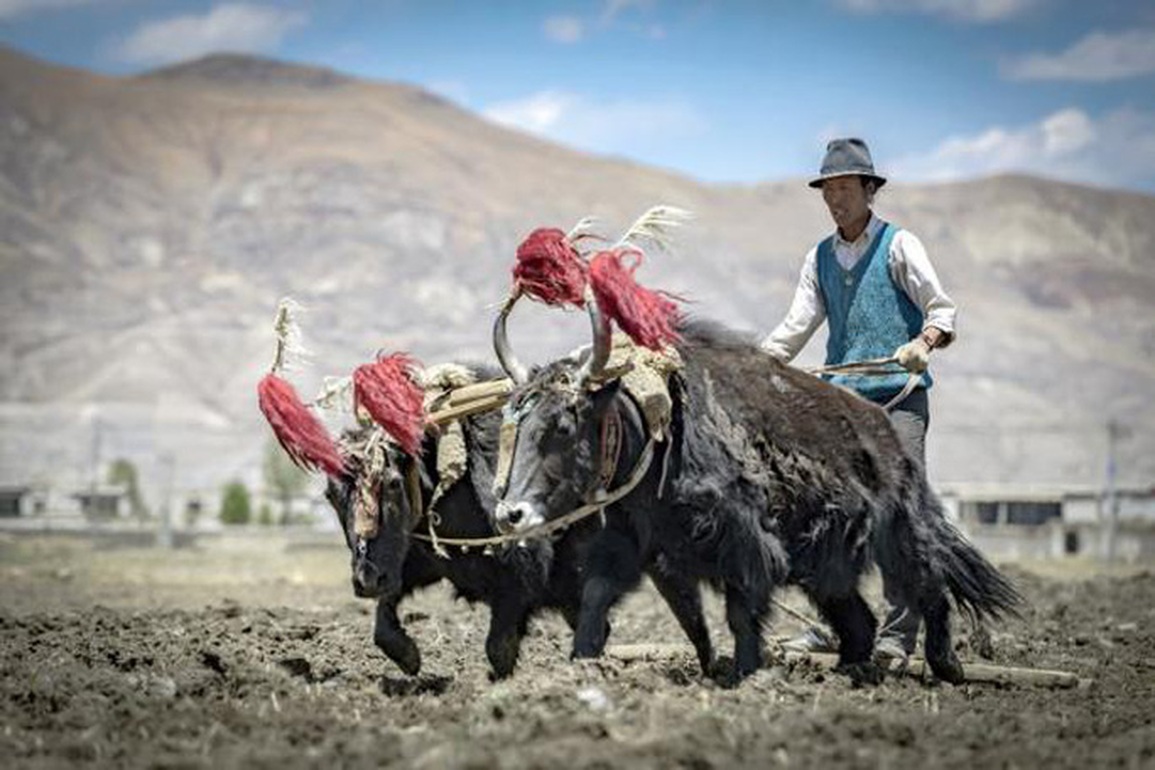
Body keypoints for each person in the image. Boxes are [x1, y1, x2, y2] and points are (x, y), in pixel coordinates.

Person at [761, 137, 957, 663]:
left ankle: (897, 636)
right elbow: (798, 324)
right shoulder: (819, 257)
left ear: (869, 190)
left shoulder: (899, 246)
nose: (835, 199)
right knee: (833, 519)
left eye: (845, 188)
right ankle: (841, 625)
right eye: (828, 190)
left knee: (900, 519)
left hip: (899, 400)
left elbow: (942, 311)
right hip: (843, 410)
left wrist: (922, 343)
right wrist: (760, 361)